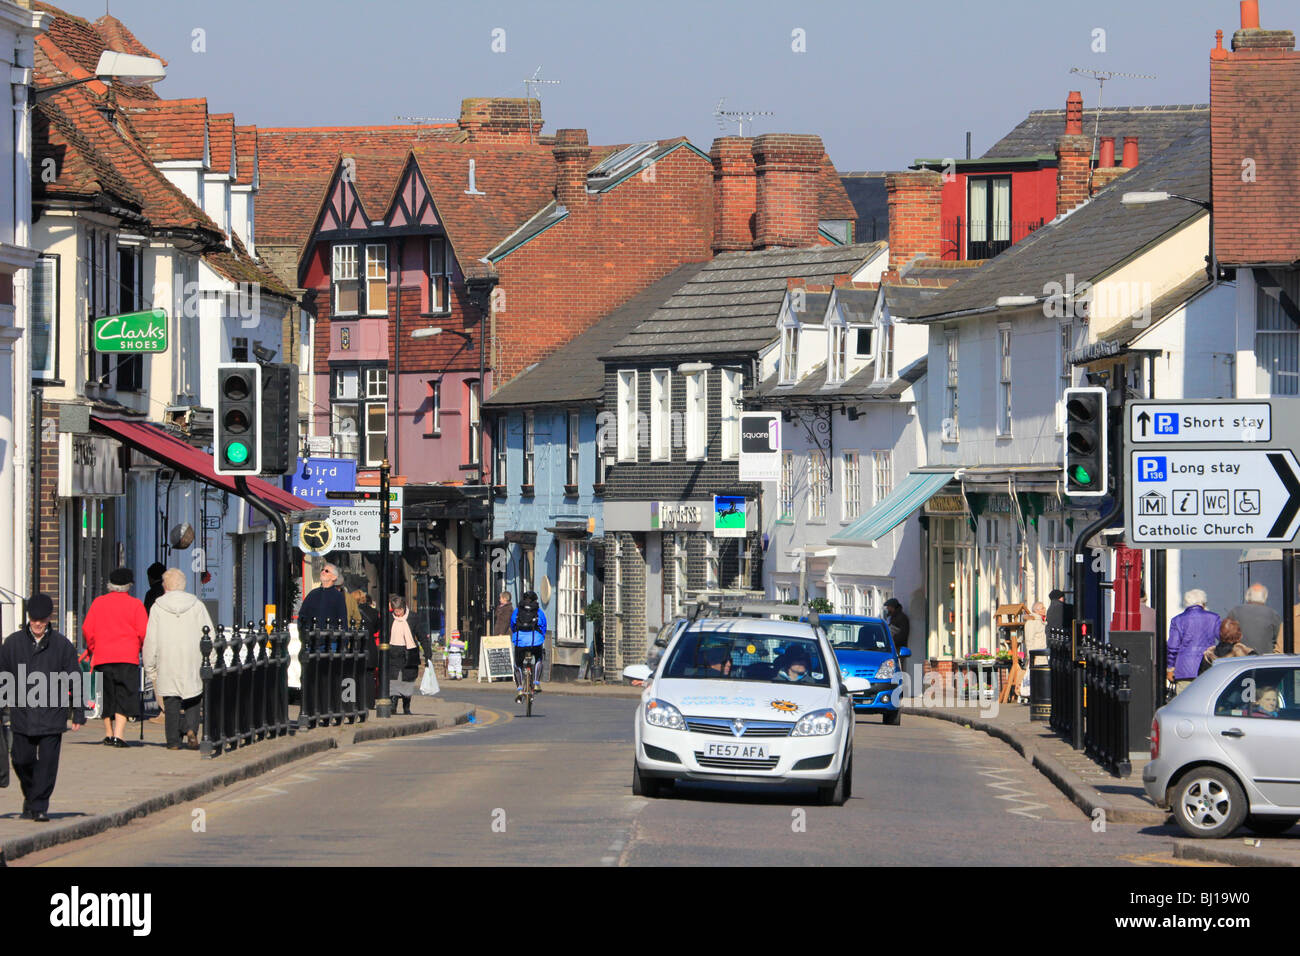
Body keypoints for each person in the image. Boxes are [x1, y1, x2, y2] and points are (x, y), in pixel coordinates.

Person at [0, 594, 84, 821]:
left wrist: (78, 711)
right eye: (34, 619)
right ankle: (32, 796)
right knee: (20, 759)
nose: (37, 624)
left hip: (52, 714)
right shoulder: (13, 643)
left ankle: (38, 807)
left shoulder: (62, 645)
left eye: (42, 620)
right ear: (28, 618)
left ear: (49, 618)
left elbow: (74, 678)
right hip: (22, 714)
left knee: (47, 765)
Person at [142, 568, 213, 750]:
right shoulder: (197, 605)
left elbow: (151, 639)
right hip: (192, 658)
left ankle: (173, 741)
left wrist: (149, 666)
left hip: (167, 659)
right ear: (183, 585)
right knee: (193, 697)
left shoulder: (157, 607)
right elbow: (209, 635)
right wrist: (210, 660)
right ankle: (191, 730)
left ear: (165, 586)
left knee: (171, 700)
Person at [82, 567, 148, 748]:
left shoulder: (98, 603)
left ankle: (108, 733)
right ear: (129, 585)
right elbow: (143, 632)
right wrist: (139, 647)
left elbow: (88, 629)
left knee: (106, 694)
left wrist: (93, 647)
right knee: (124, 694)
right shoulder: (136, 605)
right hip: (127, 656)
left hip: (103, 655)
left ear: (110, 584)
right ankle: (119, 735)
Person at [1166, 589, 1221, 695]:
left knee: (1184, 701)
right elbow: (1223, 640)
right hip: (1207, 667)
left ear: (1186, 603)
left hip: (1184, 670)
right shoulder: (1214, 618)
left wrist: (1170, 669)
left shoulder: (1177, 620)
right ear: (1203, 603)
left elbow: (1173, 647)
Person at [386, 596, 429, 715]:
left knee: (408, 680)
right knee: (393, 679)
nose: (397, 613)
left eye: (399, 610)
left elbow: (421, 636)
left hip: (409, 652)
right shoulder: (389, 618)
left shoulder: (413, 618)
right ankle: (393, 705)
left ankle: (406, 706)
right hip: (393, 652)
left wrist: (427, 653)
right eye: (395, 610)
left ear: (404, 607)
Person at [1225, 583, 1283, 657]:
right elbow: (1279, 639)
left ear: (1247, 596)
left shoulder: (1235, 612)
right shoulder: (1273, 614)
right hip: (1265, 659)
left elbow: (1226, 636)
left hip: (1240, 658)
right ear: (1265, 597)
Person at [510, 590, 546, 703]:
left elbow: (512, 625)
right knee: (539, 658)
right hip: (535, 641)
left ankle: (520, 688)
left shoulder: (517, 611)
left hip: (520, 641)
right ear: (535, 600)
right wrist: (542, 636)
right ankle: (536, 682)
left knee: (518, 664)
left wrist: (517, 634)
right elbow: (543, 626)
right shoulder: (539, 611)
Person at [297, 563, 348, 630]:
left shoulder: (338, 597)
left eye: (327, 571)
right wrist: (303, 631)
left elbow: (343, 620)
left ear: (334, 577)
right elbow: (302, 615)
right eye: (322, 570)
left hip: (330, 635)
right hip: (312, 634)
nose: (323, 572)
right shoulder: (312, 594)